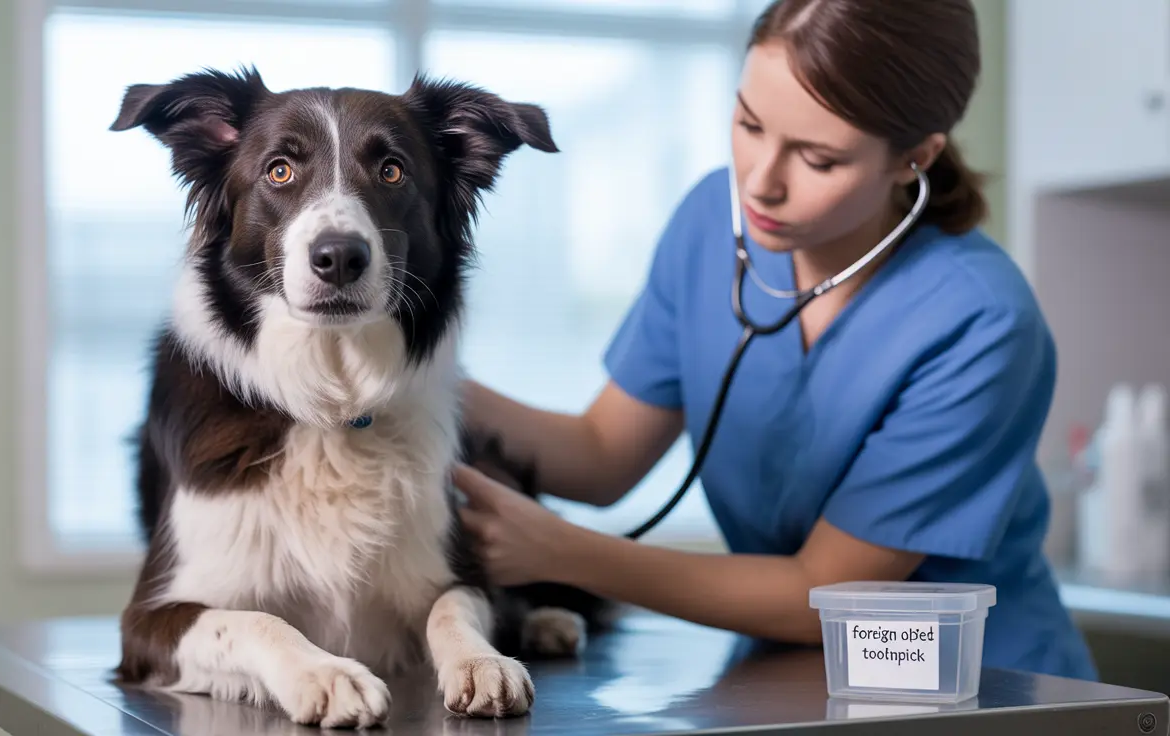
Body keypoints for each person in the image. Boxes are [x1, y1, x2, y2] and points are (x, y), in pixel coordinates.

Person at [454, 0, 1099, 681]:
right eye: (749, 124)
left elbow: (827, 593)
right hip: (788, 679)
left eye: (818, 159)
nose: (761, 182)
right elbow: (601, 455)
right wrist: (423, 384)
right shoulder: (711, 221)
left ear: (915, 158)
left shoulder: (980, 320)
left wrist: (561, 552)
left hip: (971, 684)